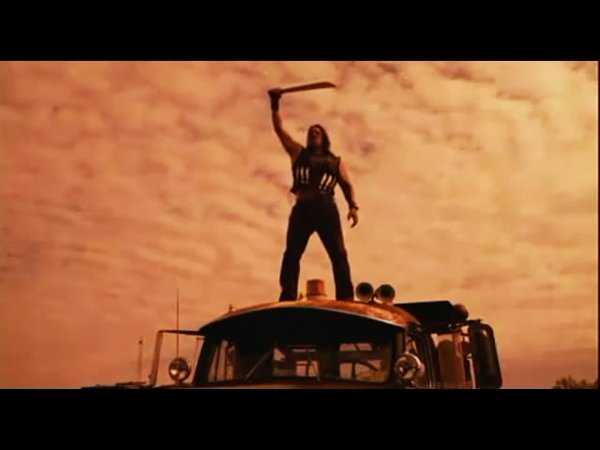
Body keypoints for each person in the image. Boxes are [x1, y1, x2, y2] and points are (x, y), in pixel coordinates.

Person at [268, 88, 359, 301]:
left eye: (317, 132)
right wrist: (274, 104)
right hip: (303, 207)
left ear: (324, 137)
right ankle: (288, 295)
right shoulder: (298, 153)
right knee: (292, 253)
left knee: (338, 253)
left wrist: (353, 206)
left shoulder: (334, 161)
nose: (313, 134)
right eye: (310, 132)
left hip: (326, 207)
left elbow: (346, 184)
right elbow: (280, 130)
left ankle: (346, 297)